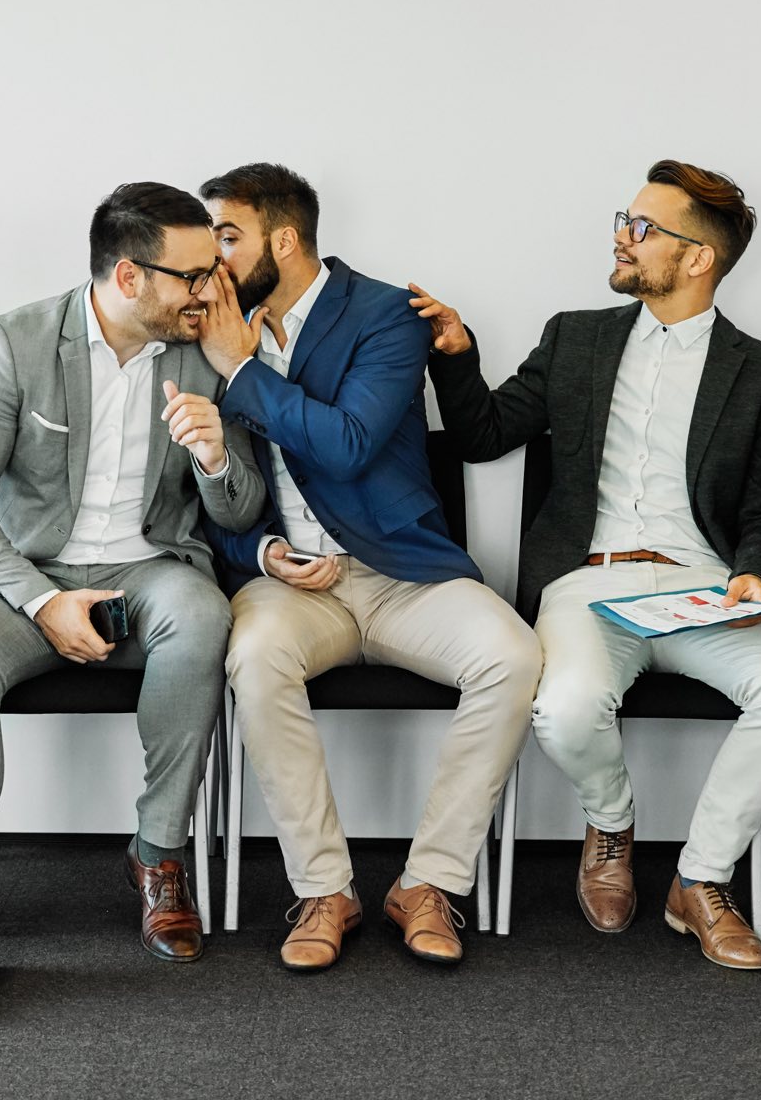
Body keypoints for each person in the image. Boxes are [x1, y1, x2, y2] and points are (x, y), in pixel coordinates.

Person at [414, 160, 761, 969]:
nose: (622, 239)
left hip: (704, 583)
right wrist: (455, 355)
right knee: (563, 707)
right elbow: (484, 435)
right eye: (623, 221)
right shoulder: (576, 339)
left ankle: (700, 881)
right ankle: (612, 822)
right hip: (590, 582)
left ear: (698, 258)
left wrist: (757, 573)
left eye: (642, 228)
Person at [0, 181, 265, 1013]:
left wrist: (217, 460)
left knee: (203, 617)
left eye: (213, 271)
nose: (210, 291)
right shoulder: (15, 341)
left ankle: (157, 853)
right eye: (191, 275)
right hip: (21, 579)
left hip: (150, 568)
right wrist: (42, 603)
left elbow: (242, 509)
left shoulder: (205, 352)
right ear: (129, 275)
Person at [196, 162, 541, 971]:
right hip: (291, 585)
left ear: (284, 239)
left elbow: (350, 444)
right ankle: (324, 888)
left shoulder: (387, 314)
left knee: (513, 655)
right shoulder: (207, 324)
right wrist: (263, 553)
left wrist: (243, 372)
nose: (214, 260)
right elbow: (204, 489)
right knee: (254, 655)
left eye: (229, 238)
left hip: (398, 572)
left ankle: (428, 884)